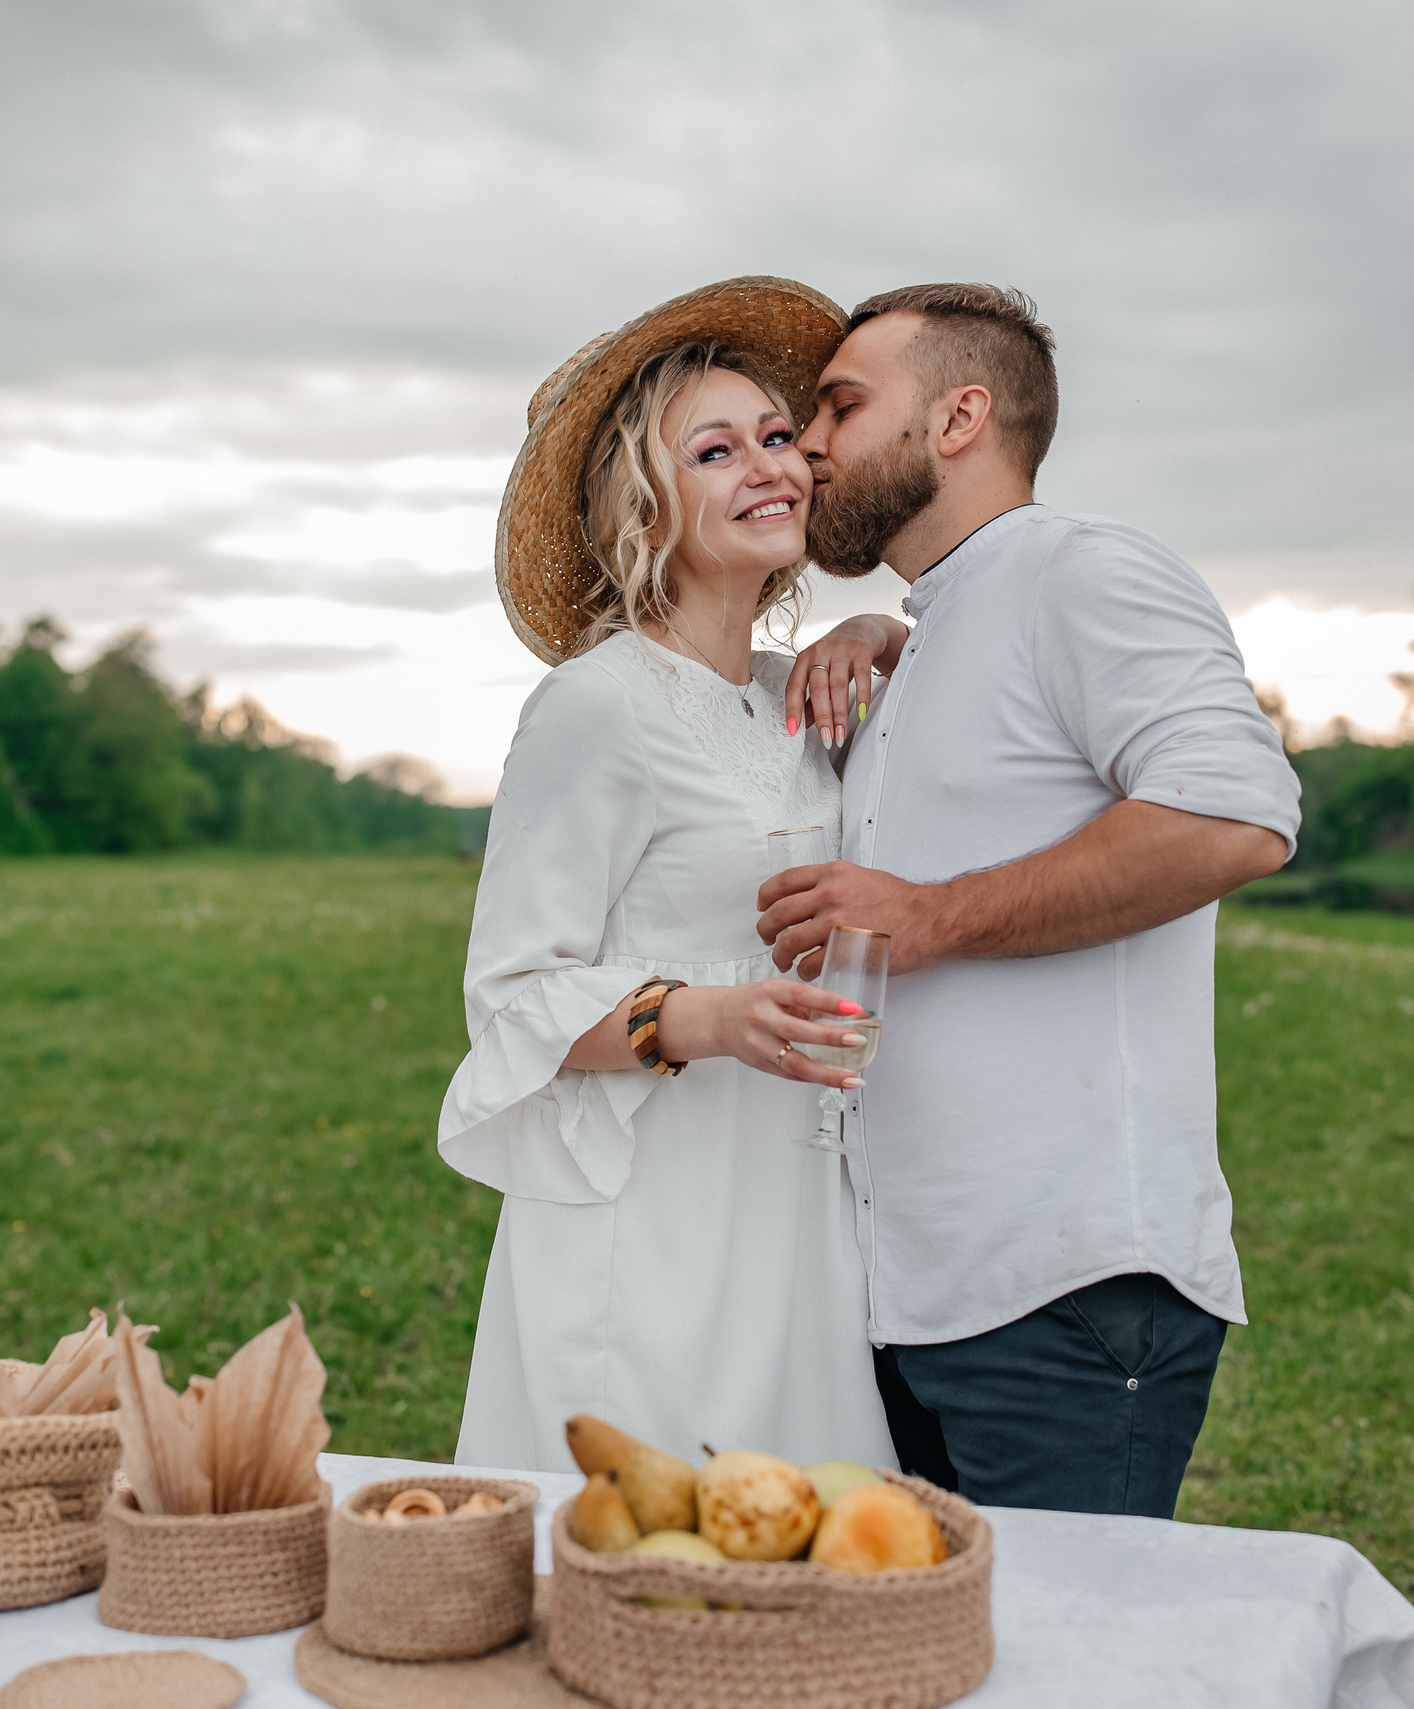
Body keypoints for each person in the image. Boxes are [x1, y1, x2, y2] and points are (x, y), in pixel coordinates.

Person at [763, 283, 1302, 1517]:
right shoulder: (927, 629)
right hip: (908, 1296)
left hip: (1064, 1291)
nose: (811, 445)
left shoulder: (1084, 567)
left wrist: (935, 913)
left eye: (842, 405)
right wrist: (878, 634)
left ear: (960, 416)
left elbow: (1236, 813)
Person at [440, 277, 899, 1474]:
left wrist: (877, 632)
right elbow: (510, 994)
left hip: (792, 1203)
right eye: (714, 449)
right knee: (649, 1551)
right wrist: (711, 1015)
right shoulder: (595, 706)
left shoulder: (787, 692)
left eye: (777, 437)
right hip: (654, 1216)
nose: (769, 465)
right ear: (645, 505)